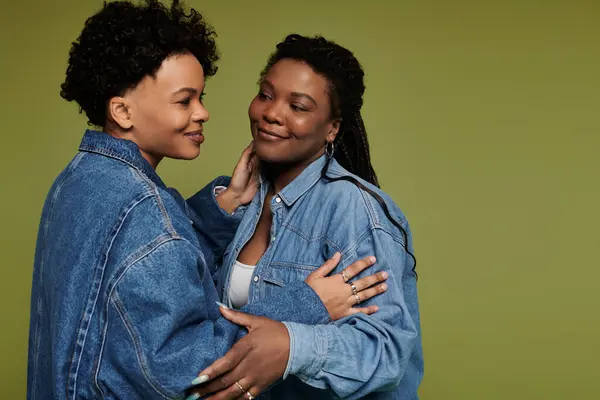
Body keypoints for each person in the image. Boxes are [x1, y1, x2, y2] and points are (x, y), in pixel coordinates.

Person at [26, 3, 389, 399]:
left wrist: (224, 206)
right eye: (185, 101)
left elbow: (134, 282)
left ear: (332, 127)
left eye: (201, 97)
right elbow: (182, 368)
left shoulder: (76, 181)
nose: (203, 113)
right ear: (123, 111)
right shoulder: (144, 210)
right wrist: (308, 305)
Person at [192, 34, 423, 400]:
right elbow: (178, 295)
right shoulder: (241, 198)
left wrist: (293, 346)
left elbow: (386, 350)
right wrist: (225, 205)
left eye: (298, 106)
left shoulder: (352, 208)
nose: (272, 113)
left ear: (332, 128)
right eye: (266, 95)